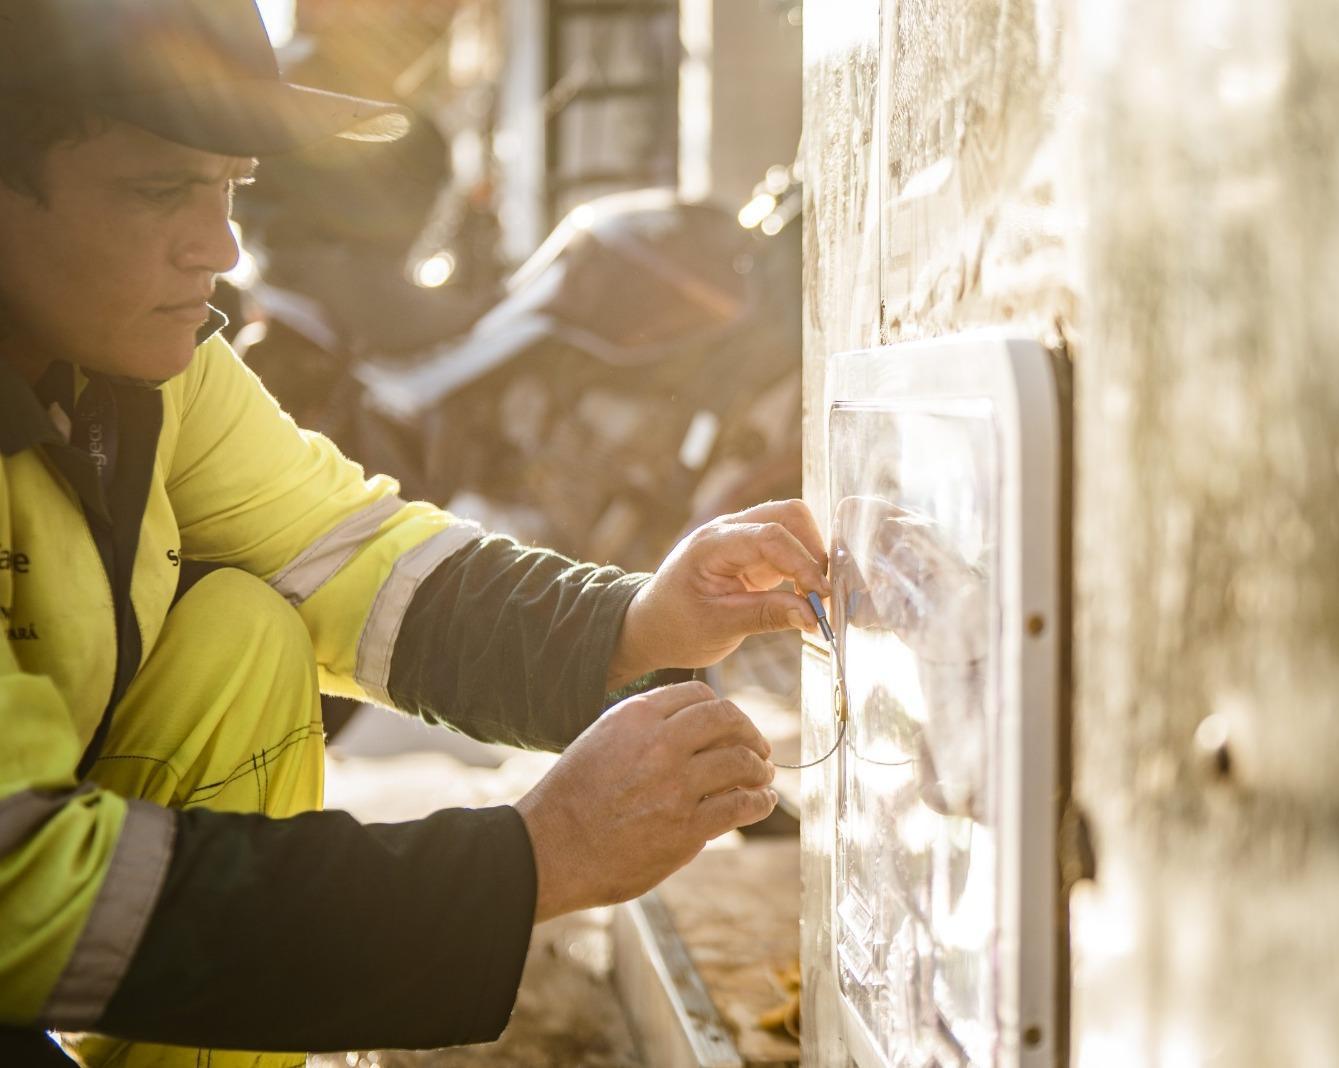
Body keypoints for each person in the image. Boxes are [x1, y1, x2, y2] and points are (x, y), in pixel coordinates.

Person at [0, 1, 828, 1065]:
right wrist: (533, 859)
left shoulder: (143, 376)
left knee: (245, 628)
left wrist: (633, 618)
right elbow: (23, 892)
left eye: (230, 188)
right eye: (156, 191)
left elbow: (356, 558)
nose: (217, 246)